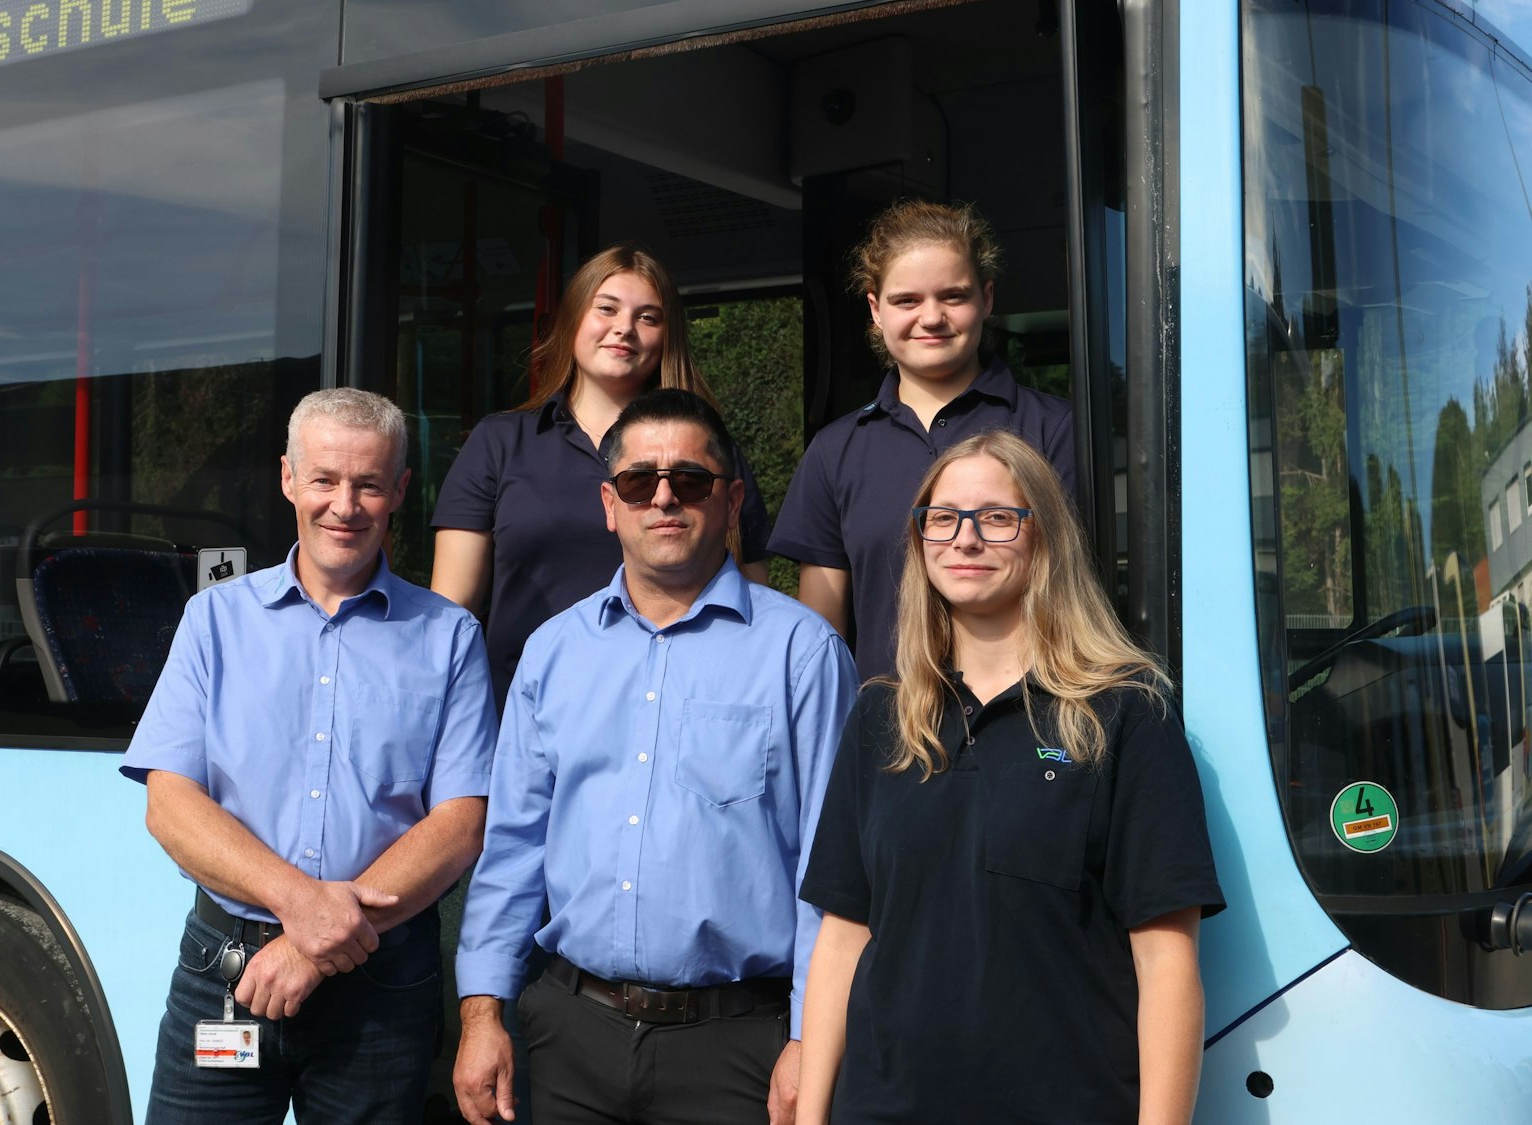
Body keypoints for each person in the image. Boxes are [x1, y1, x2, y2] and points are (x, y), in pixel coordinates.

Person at [794, 431, 1224, 1124]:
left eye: (997, 516)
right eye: (943, 517)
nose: (964, 538)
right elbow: (843, 938)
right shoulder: (881, 713)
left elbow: (1167, 964)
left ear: (1045, 536)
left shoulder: (1125, 714)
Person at [454, 389, 855, 1125]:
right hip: (567, 1035)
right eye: (641, 481)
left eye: (691, 480)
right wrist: (483, 1016)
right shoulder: (553, 652)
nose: (664, 497)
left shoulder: (803, 653)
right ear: (610, 503)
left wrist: (809, 1037)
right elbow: (511, 850)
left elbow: (832, 873)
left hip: (740, 1047)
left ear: (731, 500)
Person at [122, 388, 497, 1124]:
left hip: (382, 987)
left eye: (367, 484)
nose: (345, 505)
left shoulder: (450, 637)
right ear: (290, 478)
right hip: (227, 974)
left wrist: (313, 948)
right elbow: (169, 805)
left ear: (399, 491)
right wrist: (302, 907)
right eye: (325, 480)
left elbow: (460, 824)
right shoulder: (214, 620)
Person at [432, 243, 773, 707]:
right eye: (606, 309)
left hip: (675, 716)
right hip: (522, 715)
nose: (624, 329)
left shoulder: (711, 455)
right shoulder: (500, 443)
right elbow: (453, 617)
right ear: (573, 319)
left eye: (648, 317)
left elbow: (752, 611)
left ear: (667, 336)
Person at [768, 200, 1074, 679]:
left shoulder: (1053, 429)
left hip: (1027, 727)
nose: (931, 317)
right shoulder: (834, 450)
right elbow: (820, 640)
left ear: (987, 299)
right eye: (906, 300)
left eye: (953, 296)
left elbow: (1071, 596)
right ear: (875, 309)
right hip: (886, 734)